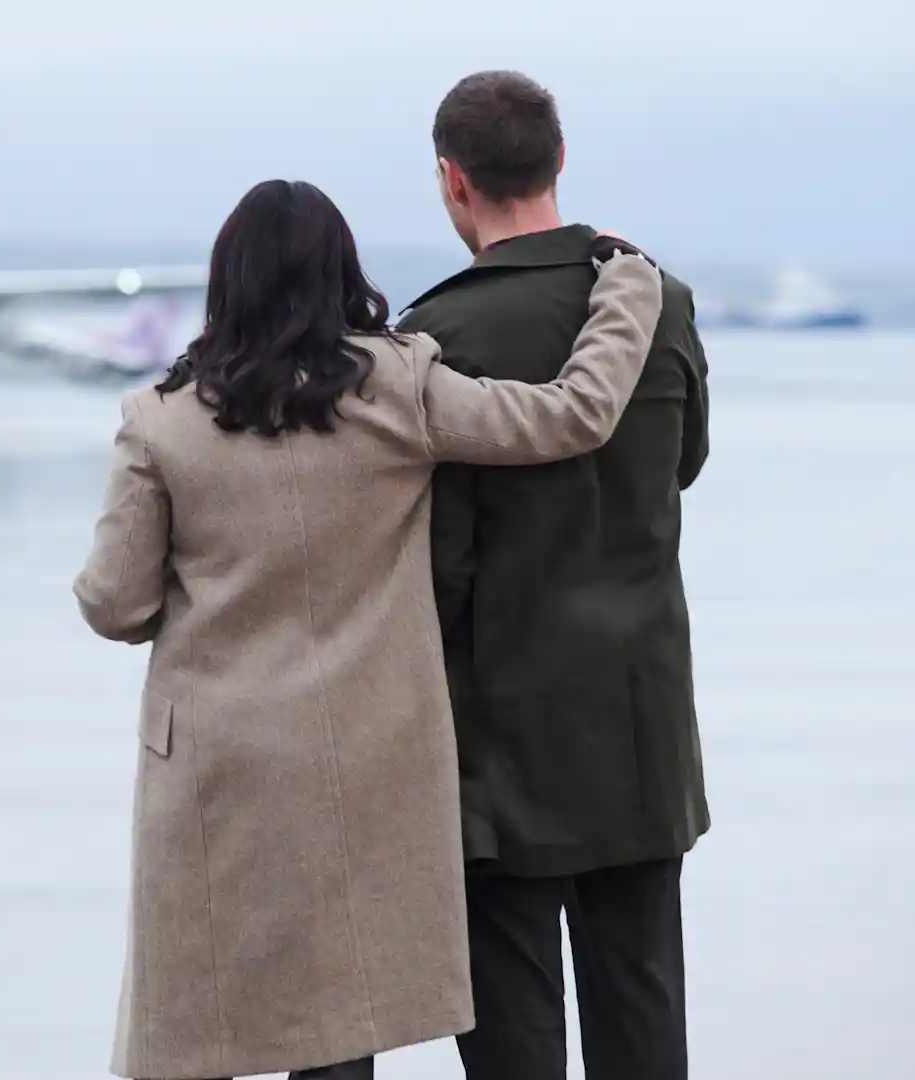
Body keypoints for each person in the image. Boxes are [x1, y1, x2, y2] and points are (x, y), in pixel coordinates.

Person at [73, 177, 663, 1080]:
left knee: (198, 1026)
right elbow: (573, 414)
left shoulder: (161, 423)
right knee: (336, 1029)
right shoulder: (399, 390)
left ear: (226, 281)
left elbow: (115, 604)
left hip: (213, 769)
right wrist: (627, 286)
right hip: (361, 756)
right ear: (342, 275)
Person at [395, 71, 712, 1080]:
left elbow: (436, 555)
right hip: (640, 723)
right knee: (644, 1020)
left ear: (452, 179)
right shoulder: (659, 303)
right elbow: (684, 465)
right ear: (560, 159)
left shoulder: (437, 337)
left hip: (498, 741)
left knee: (513, 1038)